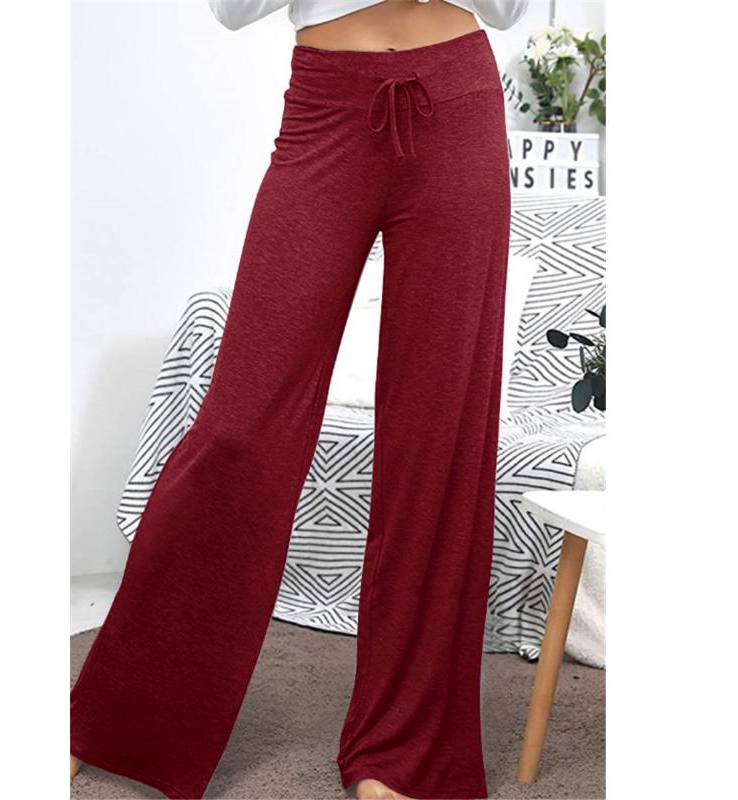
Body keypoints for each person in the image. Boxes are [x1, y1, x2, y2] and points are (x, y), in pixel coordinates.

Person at [70, 1, 530, 798]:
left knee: (438, 441)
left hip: (458, 99)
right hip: (329, 107)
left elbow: (509, 8)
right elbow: (232, 11)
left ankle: (403, 757)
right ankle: (117, 719)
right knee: (240, 430)